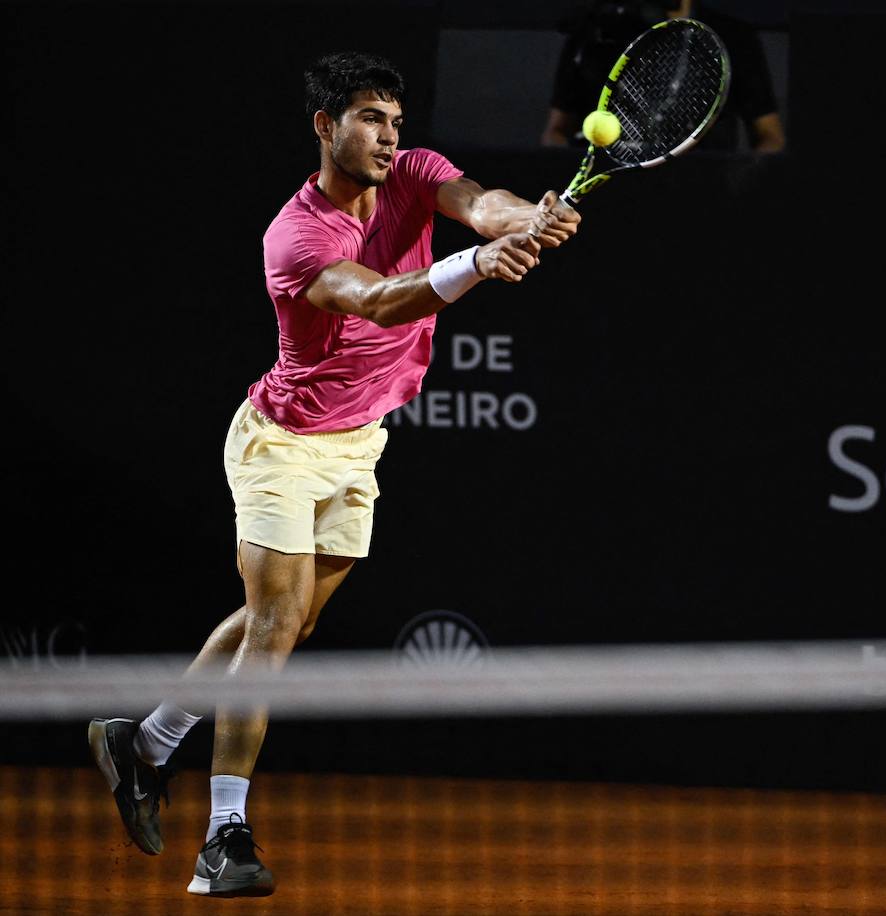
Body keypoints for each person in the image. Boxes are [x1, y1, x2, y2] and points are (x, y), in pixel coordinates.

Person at [87, 51, 580, 898]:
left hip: (360, 444)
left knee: (281, 623)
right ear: (325, 126)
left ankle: (143, 744)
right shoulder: (297, 234)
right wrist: (474, 267)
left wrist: (521, 219)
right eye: (368, 119)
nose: (390, 137)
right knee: (274, 625)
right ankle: (225, 837)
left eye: (395, 119)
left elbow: (480, 204)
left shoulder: (417, 171)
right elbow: (380, 300)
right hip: (280, 444)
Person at [541, 0, 786, 154]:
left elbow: (770, 137)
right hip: (607, 199)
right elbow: (556, 132)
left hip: (704, 196)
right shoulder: (591, 34)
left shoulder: (734, 38)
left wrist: (739, 188)